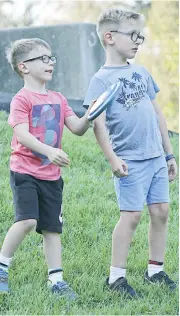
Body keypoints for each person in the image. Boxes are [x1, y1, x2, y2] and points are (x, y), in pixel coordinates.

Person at [83, 8, 177, 298]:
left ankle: (155, 270)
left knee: (161, 212)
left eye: (141, 36)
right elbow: (97, 124)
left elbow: (157, 113)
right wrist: (112, 159)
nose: (138, 41)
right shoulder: (99, 80)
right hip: (130, 160)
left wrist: (169, 154)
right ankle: (116, 277)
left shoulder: (141, 72)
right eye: (133, 35)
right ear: (109, 37)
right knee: (132, 216)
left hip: (155, 158)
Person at [0, 38, 91, 298]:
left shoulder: (59, 99)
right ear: (23, 67)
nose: (49, 62)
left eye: (51, 58)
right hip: (25, 171)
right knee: (28, 220)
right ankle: (2, 266)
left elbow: (77, 128)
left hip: (52, 176)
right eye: (42, 58)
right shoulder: (21, 99)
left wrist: (91, 116)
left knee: (52, 228)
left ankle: (56, 280)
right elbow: (22, 134)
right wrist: (49, 151)